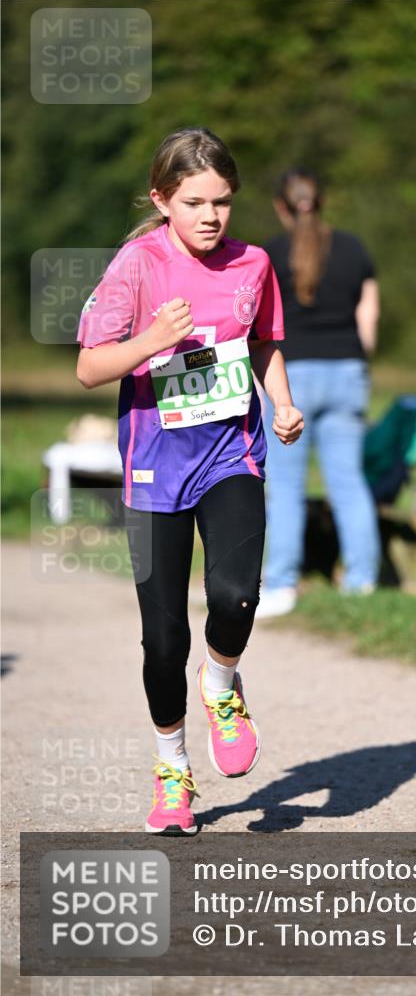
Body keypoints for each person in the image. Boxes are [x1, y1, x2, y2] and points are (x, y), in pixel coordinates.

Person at [75, 127, 304, 836]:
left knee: (236, 596)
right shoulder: (136, 267)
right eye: (195, 202)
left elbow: (263, 341)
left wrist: (282, 402)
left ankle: (221, 684)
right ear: (162, 200)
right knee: (162, 639)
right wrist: (151, 341)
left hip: (231, 454)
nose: (210, 217)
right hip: (154, 469)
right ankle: (172, 769)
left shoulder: (253, 264)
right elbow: (89, 367)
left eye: (223, 202)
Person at [256, 169, 381, 619]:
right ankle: (363, 580)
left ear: (280, 207)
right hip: (347, 371)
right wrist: (354, 363)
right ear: (321, 202)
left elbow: (258, 327)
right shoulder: (354, 248)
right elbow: (368, 324)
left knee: (285, 485)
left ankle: (283, 583)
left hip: (289, 376)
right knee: (348, 481)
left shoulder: (268, 254)